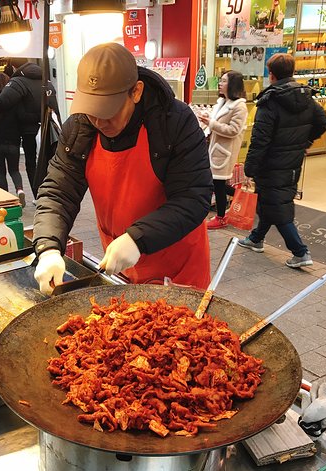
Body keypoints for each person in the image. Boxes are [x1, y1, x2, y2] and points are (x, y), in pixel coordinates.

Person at [32, 43, 213, 295]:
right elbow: (58, 192)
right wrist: (49, 248)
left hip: (176, 266)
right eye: (93, 109)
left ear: (136, 92)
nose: (99, 121)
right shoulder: (80, 127)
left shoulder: (173, 122)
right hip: (122, 264)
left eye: (109, 111)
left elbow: (193, 198)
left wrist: (137, 238)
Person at [238, 53, 326, 268]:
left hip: (270, 164)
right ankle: (256, 238)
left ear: (271, 75)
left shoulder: (269, 102)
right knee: (272, 200)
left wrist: (249, 167)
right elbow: (323, 121)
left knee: (278, 205)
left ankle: (300, 252)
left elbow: (259, 140)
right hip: (292, 162)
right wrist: (304, 142)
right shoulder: (306, 97)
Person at [0, 60, 60, 199]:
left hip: (28, 131)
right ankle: (52, 195)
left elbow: (3, 102)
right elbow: (54, 107)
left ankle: (38, 196)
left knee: (31, 164)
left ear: (13, 66)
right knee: (49, 162)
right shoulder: (47, 82)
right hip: (49, 129)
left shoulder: (18, 81)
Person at [198, 70, 248, 229]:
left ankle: (220, 217)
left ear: (232, 84)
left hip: (225, 150)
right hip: (216, 148)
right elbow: (216, 120)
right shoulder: (222, 102)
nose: (220, 83)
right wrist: (208, 118)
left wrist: (211, 123)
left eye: (224, 81)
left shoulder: (239, 106)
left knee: (217, 183)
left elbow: (234, 130)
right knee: (215, 182)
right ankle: (242, 198)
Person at [0, 72, 26, 207]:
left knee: (1, 171)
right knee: (14, 170)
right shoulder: (14, 102)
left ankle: (5, 199)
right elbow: (20, 119)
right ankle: (19, 190)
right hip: (12, 140)